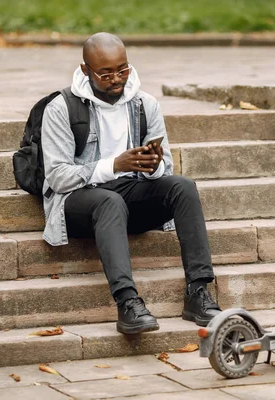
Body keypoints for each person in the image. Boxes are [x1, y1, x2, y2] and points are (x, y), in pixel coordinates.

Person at [40, 32, 221, 335]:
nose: (117, 78)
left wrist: (151, 167)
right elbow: (58, 176)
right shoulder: (61, 108)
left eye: (122, 69)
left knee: (182, 186)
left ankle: (198, 292)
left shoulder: (144, 104)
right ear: (86, 70)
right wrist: (114, 165)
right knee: (108, 201)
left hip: (128, 196)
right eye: (106, 73)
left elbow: (166, 166)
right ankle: (128, 303)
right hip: (78, 201)